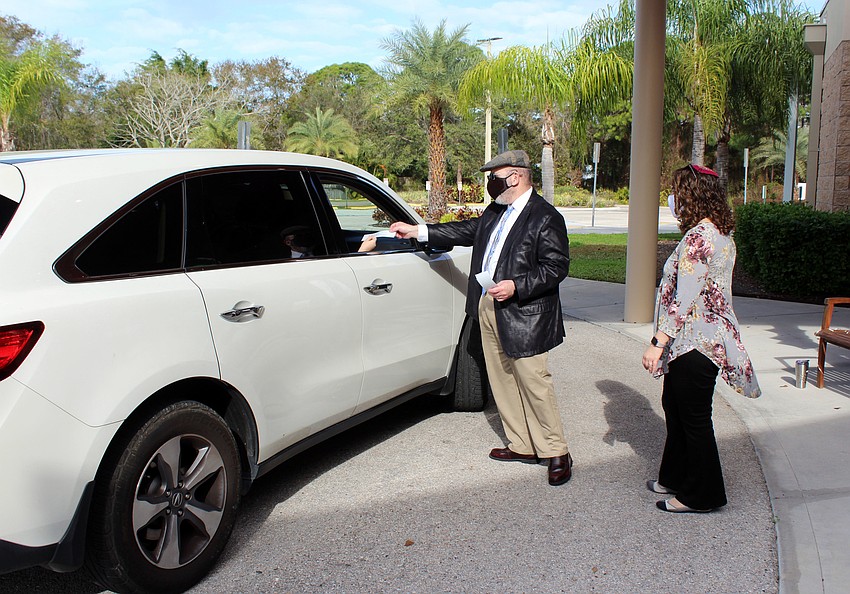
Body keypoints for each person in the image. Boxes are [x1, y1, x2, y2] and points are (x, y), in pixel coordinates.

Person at [390, 150, 573, 486]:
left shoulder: (545, 217)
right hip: (488, 305)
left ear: (515, 177)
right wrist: (418, 231)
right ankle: (522, 444)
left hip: (524, 313)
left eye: (495, 177)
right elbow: (465, 230)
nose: (491, 183)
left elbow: (556, 267)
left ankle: (556, 451)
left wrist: (517, 285)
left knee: (534, 382)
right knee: (501, 379)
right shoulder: (495, 211)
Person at [642, 163, 761, 513]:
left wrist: (658, 343)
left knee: (693, 418)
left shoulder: (699, 238)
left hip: (695, 342)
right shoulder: (720, 234)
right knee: (676, 407)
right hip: (699, 339)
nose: (673, 199)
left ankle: (702, 495)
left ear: (690, 196)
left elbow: (684, 298)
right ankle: (674, 476)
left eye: (677, 191)